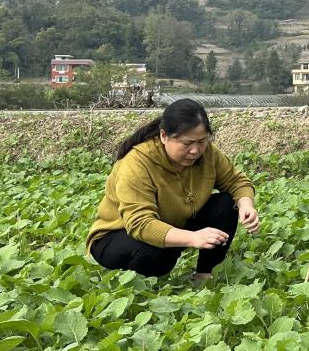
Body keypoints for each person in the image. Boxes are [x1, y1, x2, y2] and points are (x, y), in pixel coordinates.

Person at [87, 98, 260, 281]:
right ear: (164, 136)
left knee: (226, 204)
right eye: (187, 143)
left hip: (171, 224)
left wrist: (246, 204)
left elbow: (235, 181)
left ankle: (204, 275)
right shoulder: (137, 163)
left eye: (202, 141)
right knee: (156, 255)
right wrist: (192, 238)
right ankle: (134, 286)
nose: (195, 150)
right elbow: (140, 223)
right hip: (117, 235)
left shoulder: (207, 153)